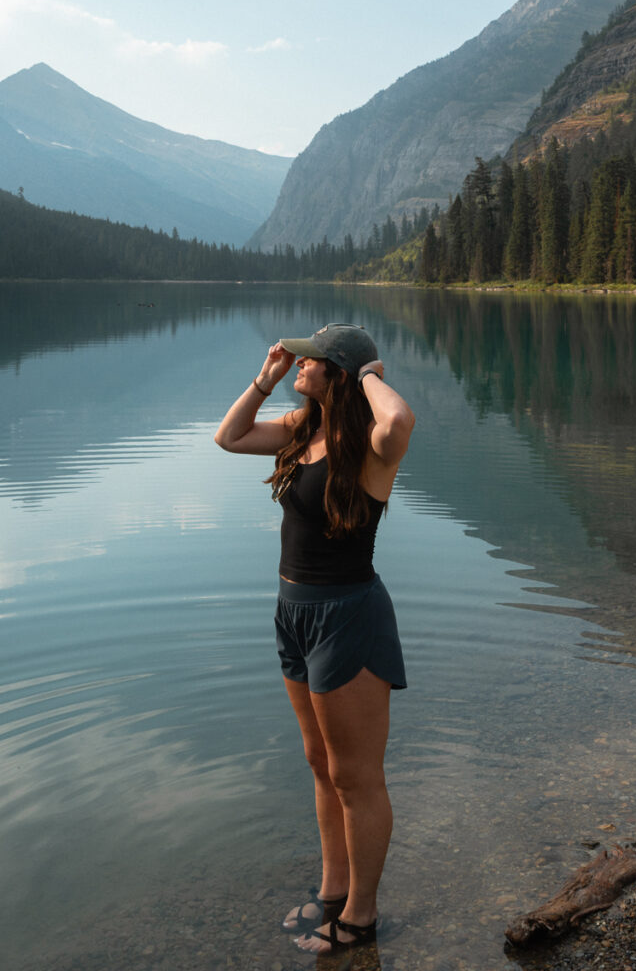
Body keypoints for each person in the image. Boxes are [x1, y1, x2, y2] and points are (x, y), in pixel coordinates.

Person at [214, 323, 415, 956]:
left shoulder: (369, 449)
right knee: (320, 766)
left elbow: (401, 421)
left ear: (339, 373)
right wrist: (265, 378)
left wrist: (369, 375)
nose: (296, 365)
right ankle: (333, 892)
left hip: (347, 618)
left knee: (356, 777)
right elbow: (229, 436)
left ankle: (361, 916)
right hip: (293, 615)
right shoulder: (304, 433)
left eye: (308, 361)